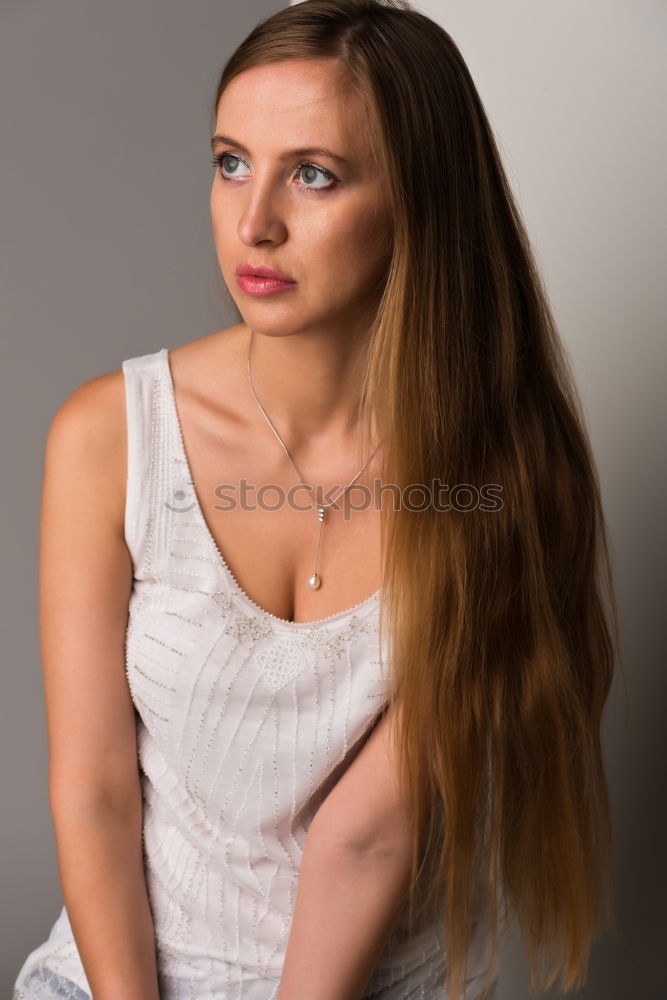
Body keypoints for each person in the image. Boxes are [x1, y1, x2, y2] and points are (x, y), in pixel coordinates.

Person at [13, 2, 618, 998]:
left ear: (417, 202)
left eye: (313, 173)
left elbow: (366, 840)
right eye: (230, 161)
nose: (254, 221)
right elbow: (93, 796)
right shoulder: (106, 436)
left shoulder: (507, 477)